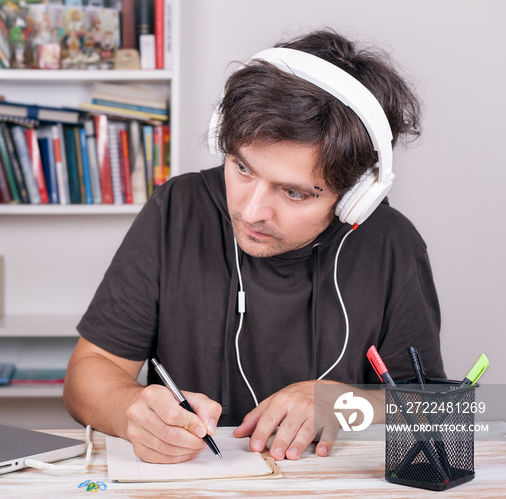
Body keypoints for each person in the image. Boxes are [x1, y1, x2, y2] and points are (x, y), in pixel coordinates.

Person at [63, 29, 445, 464]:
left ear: (356, 195)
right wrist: (130, 409)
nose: (251, 210)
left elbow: (435, 408)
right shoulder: (177, 210)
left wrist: (345, 406)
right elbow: (87, 372)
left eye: (294, 192)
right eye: (242, 167)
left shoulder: (392, 245)